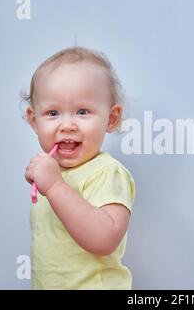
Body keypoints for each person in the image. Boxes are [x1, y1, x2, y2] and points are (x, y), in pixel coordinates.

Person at [22, 46, 136, 289]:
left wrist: (54, 186)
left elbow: (105, 239)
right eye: (52, 113)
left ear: (111, 118)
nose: (67, 125)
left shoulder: (107, 172)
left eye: (82, 111)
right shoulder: (52, 172)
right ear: (34, 120)